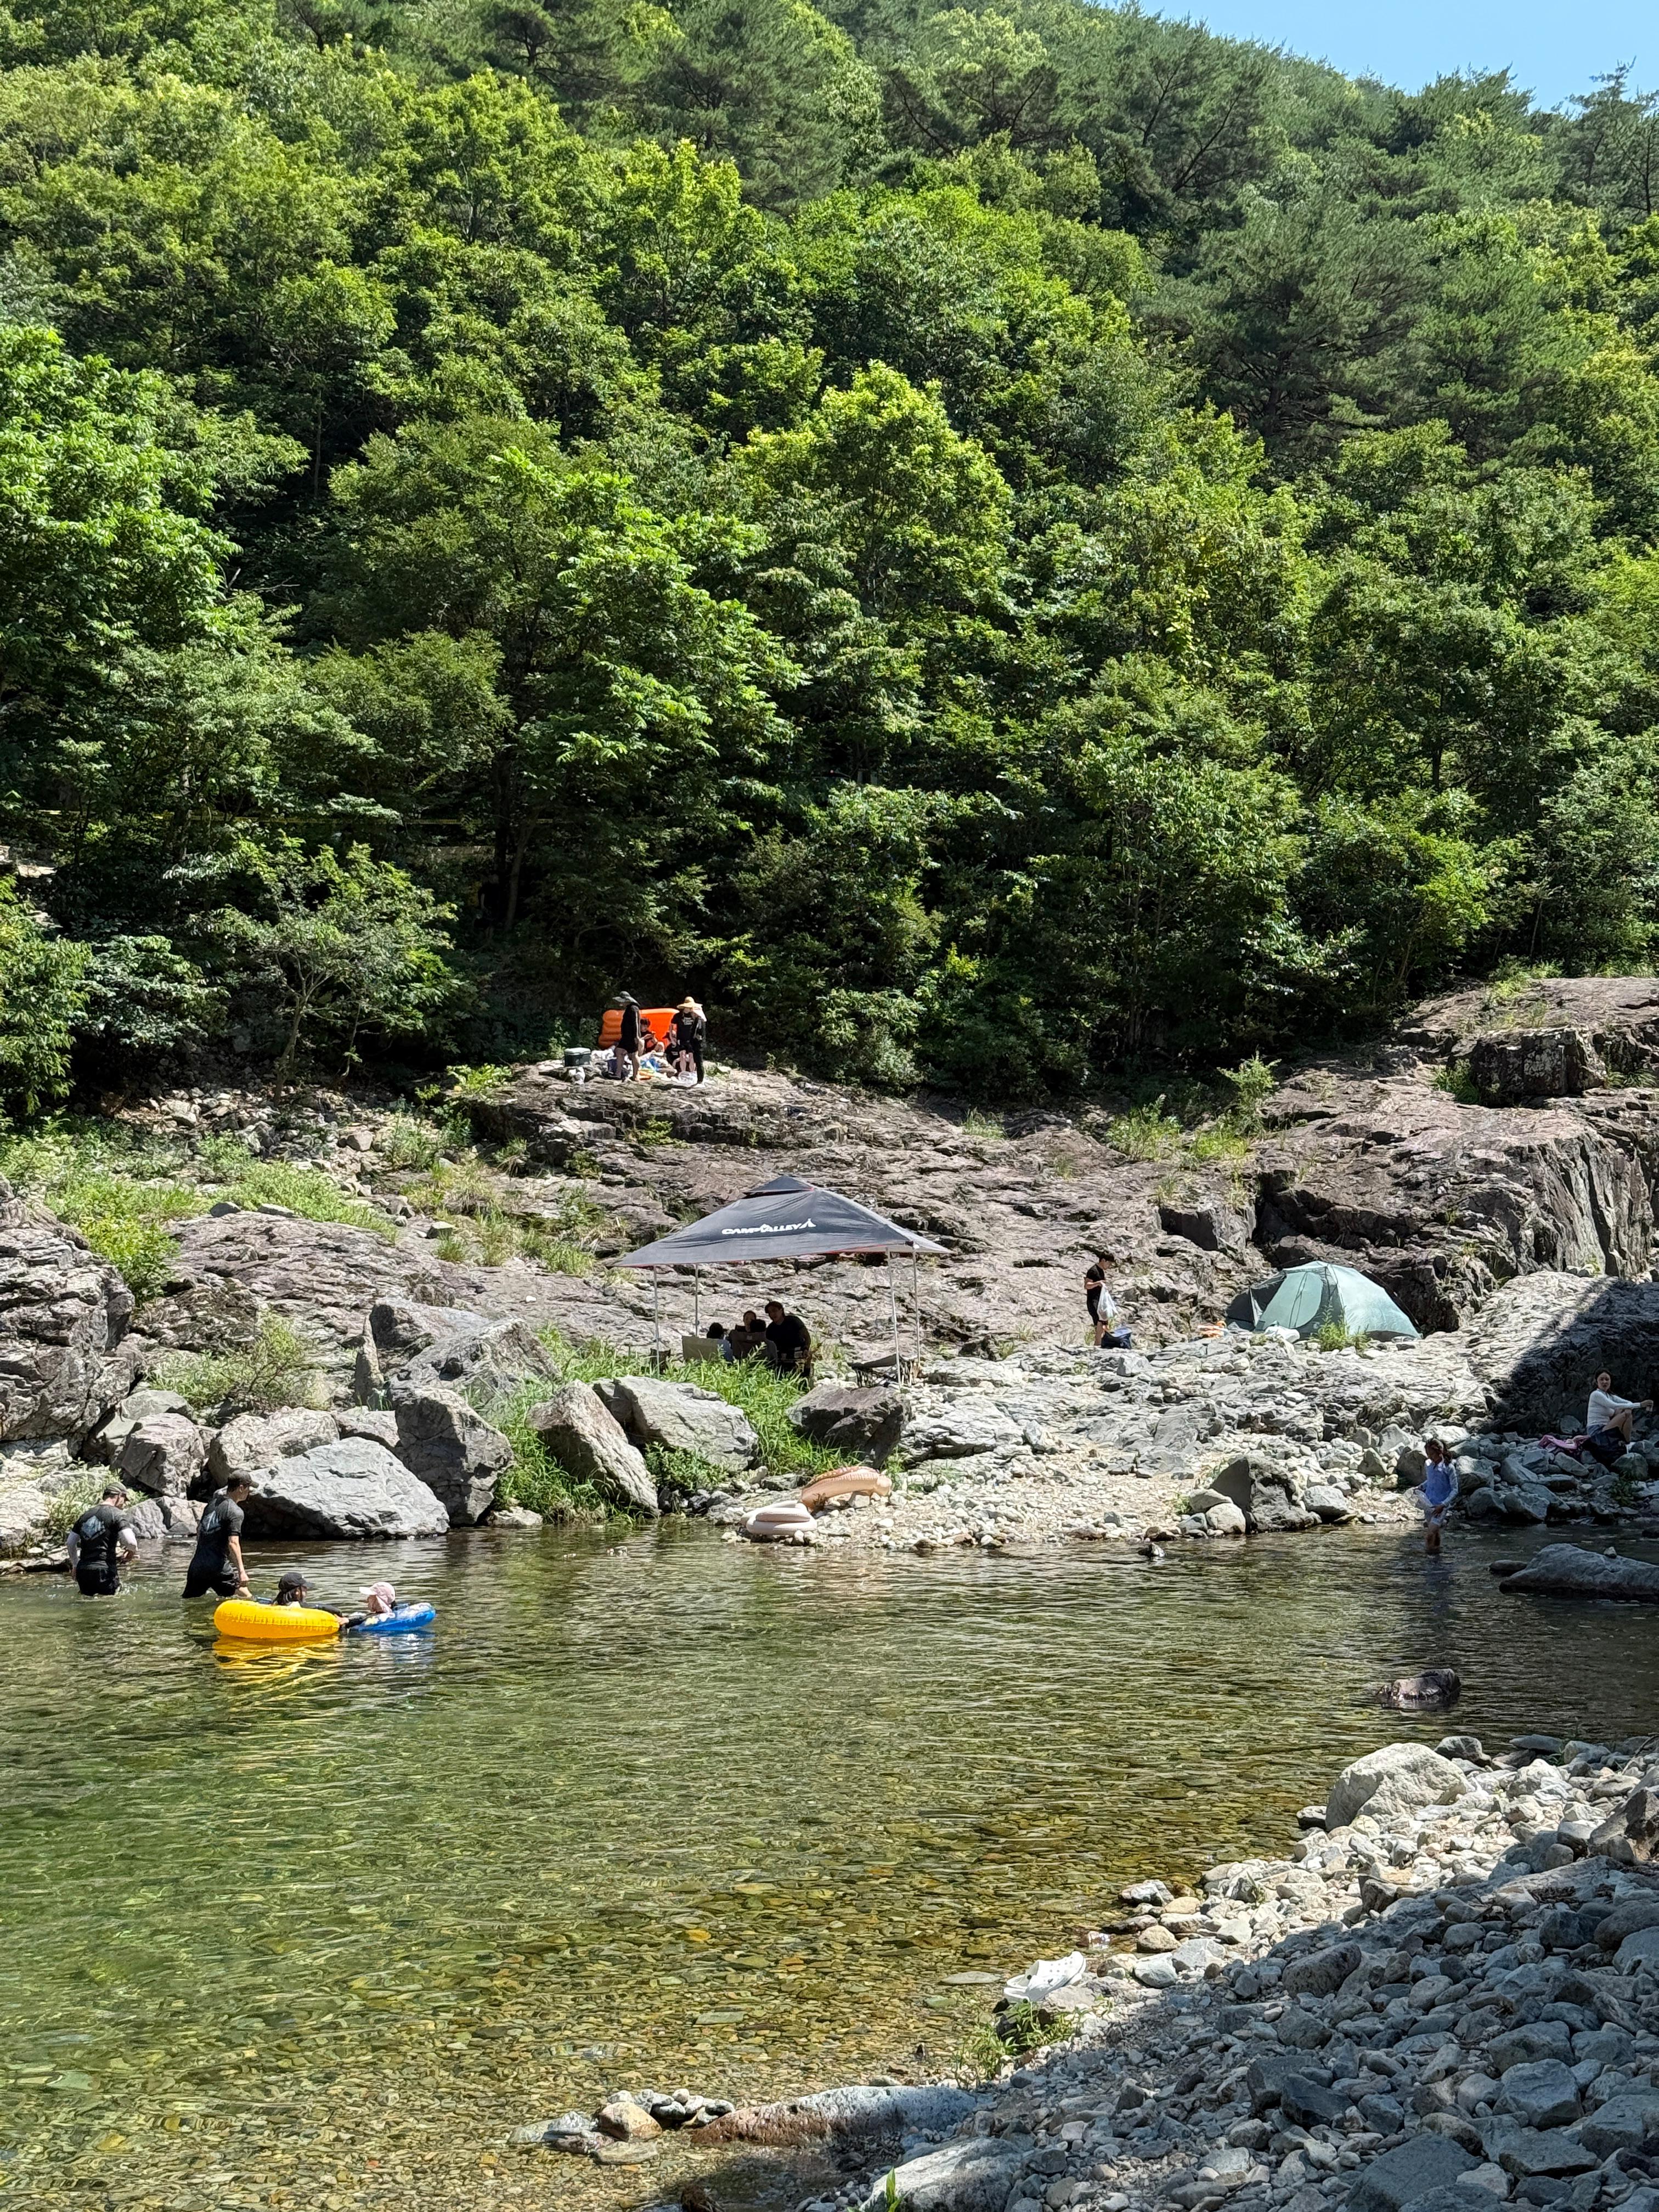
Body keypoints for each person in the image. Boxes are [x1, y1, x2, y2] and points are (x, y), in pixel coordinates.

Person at [184, 1475, 255, 1599]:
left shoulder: (212, 1505)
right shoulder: (236, 1512)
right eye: (249, 1488)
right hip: (218, 1568)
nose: (250, 1491)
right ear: (241, 1488)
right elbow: (233, 1543)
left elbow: (199, 1530)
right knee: (247, 1596)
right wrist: (242, 1572)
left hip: (197, 1566)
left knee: (190, 1601)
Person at [68, 1482, 138, 1598]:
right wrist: (132, 1551)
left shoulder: (85, 1515)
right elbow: (131, 1542)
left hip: (84, 1570)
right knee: (110, 1604)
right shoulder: (117, 1515)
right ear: (119, 1496)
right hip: (105, 1570)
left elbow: (70, 1543)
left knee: (87, 1604)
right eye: (124, 1499)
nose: (124, 1503)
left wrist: (75, 1565)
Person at [1584, 1371, 1652, 1465]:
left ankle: (1627, 1443)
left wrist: (1629, 1408)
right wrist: (1640, 1405)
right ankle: (1627, 1444)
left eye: (1607, 1379)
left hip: (1606, 1428)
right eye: (1602, 1380)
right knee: (1625, 1414)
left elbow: (1628, 1403)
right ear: (1597, 1382)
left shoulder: (1610, 1396)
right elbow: (1614, 1405)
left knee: (1627, 1412)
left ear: (1610, 1381)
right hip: (1596, 1432)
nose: (1605, 1382)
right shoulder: (1596, 1394)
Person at [1420, 1437, 1457, 1555]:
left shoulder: (1449, 1468)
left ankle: (1428, 1556)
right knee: (1435, 1532)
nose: (1430, 1457)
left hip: (1441, 1506)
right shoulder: (1428, 1465)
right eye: (1428, 1454)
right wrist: (1421, 1487)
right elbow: (1431, 1481)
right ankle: (1437, 1555)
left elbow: (1455, 1490)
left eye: (1432, 1454)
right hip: (1429, 1504)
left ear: (1440, 1452)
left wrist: (1443, 1505)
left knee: (1430, 1534)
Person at [764, 1299, 812, 1375]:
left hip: (798, 1355)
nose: (772, 1314)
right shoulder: (771, 1329)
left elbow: (806, 1336)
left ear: (781, 1310)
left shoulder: (794, 1321)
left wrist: (806, 1348)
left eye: (774, 1311)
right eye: (770, 1313)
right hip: (781, 1359)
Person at [667, 997, 706, 1085]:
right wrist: (671, 1037)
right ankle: (683, 1073)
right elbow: (672, 1025)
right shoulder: (678, 1016)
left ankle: (692, 1073)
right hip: (681, 1038)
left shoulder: (695, 1015)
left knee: (692, 1056)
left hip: (691, 1039)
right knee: (682, 1056)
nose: (691, 1009)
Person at [617, 993, 642, 1082]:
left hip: (632, 1036)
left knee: (634, 1055)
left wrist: (636, 1036)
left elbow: (636, 1024)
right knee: (619, 1051)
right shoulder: (628, 1008)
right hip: (626, 1036)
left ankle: (636, 1075)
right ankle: (618, 1073)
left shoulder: (634, 1009)